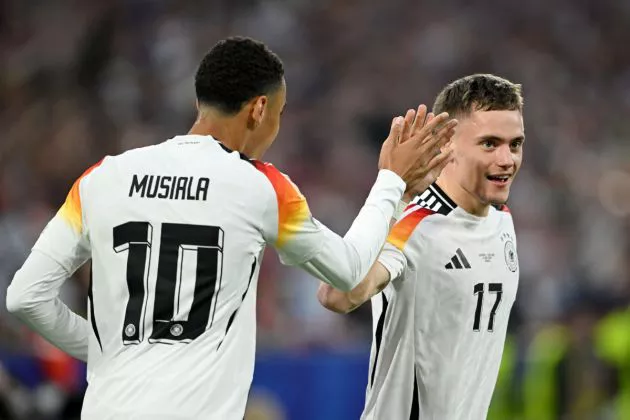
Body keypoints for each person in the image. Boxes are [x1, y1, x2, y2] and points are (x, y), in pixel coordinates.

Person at [5, 36, 456, 420]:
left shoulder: (101, 178)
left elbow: (25, 296)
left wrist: (103, 351)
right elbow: (350, 269)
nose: (275, 128)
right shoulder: (260, 185)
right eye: (278, 115)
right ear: (259, 109)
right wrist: (391, 183)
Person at [318, 73, 525, 420]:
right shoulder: (413, 222)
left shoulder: (502, 220)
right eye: (489, 143)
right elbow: (337, 296)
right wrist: (394, 191)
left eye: (515, 144)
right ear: (447, 145)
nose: (507, 159)